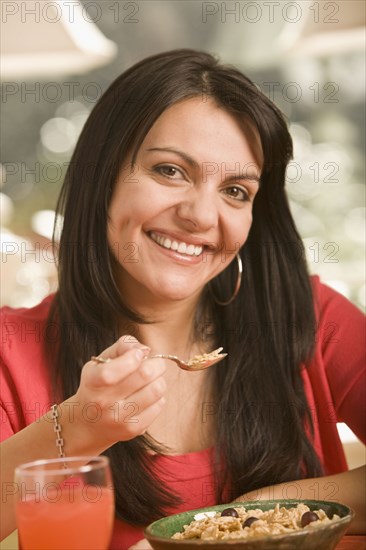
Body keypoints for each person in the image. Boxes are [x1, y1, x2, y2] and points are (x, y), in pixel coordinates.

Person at [1, 49, 365, 550]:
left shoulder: (311, 319)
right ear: (102, 175)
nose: (200, 215)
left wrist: (262, 512)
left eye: (236, 191)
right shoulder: (13, 349)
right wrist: (78, 426)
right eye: (170, 171)